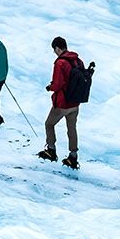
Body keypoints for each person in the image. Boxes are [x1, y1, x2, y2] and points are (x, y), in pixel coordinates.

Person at [40, 37, 86, 168]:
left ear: (58, 48)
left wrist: (51, 87)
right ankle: (73, 156)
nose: (54, 53)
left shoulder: (60, 63)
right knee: (72, 128)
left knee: (49, 124)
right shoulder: (78, 61)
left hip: (63, 103)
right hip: (75, 103)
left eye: (54, 50)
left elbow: (58, 83)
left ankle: (51, 150)